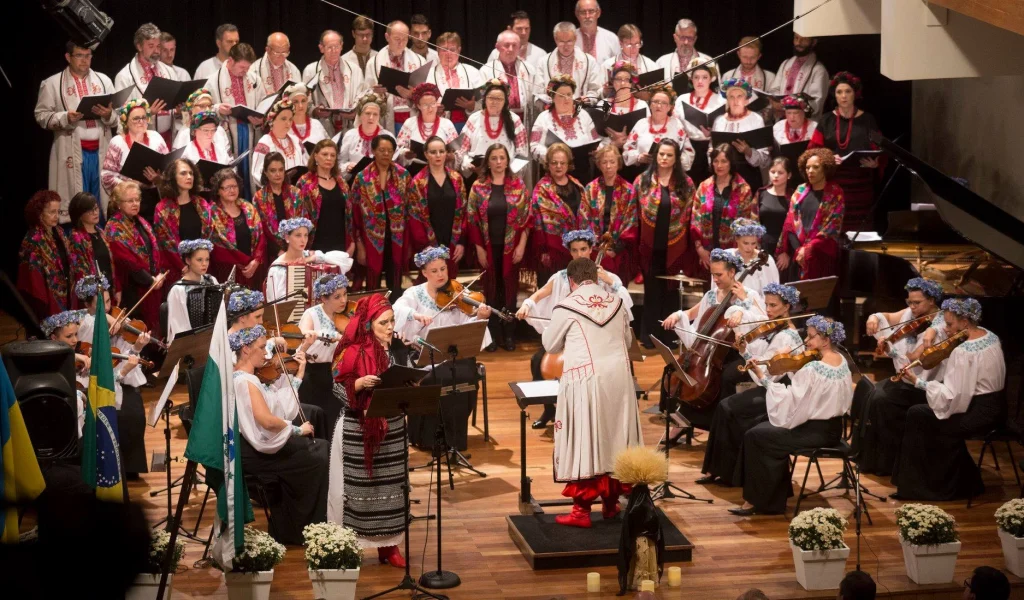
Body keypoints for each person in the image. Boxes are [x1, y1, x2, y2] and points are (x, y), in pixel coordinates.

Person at [543, 257, 642, 527]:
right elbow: (628, 340)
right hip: (620, 378)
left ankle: (581, 512)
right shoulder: (619, 301)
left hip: (585, 379)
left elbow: (551, 345)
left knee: (586, 439)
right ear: (597, 277)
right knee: (614, 438)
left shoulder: (567, 304)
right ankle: (611, 503)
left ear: (571, 281)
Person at [729, 315, 852, 515]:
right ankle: (771, 496)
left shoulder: (813, 367)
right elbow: (809, 394)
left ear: (826, 340)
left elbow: (792, 401)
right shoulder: (842, 361)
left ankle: (761, 503)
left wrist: (763, 378)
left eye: (811, 337)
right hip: (834, 429)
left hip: (814, 432)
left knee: (756, 436)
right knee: (762, 427)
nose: (806, 341)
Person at [892, 298, 1006, 501]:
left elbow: (953, 397)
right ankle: (956, 480)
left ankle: (926, 487)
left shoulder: (963, 351)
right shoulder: (991, 336)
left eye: (950, 324)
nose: (945, 329)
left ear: (964, 322)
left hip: (977, 414)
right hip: (997, 409)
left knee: (918, 414)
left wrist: (919, 382)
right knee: (923, 414)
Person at [518, 229, 633, 428]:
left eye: (583, 249)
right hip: (567, 336)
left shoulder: (607, 277)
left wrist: (609, 281)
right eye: (575, 250)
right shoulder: (562, 277)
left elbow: (625, 304)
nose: (580, 254)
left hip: (597, 340)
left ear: (591, 250)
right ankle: (549, 410)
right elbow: (542, 293)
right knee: (537, 361)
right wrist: (527, 303)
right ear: (569, 252)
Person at [328, 293, 411, 566]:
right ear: (368, 324)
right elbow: (337, 388)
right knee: (359, 493)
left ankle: (389, 547)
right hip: (359, 430)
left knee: (393, 490)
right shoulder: (351, 352)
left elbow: (407, 379)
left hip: (393, 429)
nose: (390, 327)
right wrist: (360, 384)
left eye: (392, 321)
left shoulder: (397, 349)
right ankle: (349, 548)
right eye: (384, 322)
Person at [696, 283, 803, 486]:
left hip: (777, 394)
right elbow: (761, 356)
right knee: (725, 405)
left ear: (786, 307)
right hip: (768, 387)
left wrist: (745, 352)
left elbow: (767, 377)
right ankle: (718, 470)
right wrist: (745, 346)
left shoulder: (787, 337)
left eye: (773, 306)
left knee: (728, 408)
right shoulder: (775, 328)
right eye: (767, 305)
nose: (768, 310)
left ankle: (728, 473)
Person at [232, 324, 329, 545]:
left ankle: (295, 523)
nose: (267, 353)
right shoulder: (244, 381)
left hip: (259, 444)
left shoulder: (254, 377)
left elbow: (281, 408)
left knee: (320, 448)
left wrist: (299, 375)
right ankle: (298, 529)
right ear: (246, 349)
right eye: (261, 348)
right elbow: (266, 420)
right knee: (318, 456)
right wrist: (297, 430)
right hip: (253, 453)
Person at [392, 246, 493, 446]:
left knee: (465, 375)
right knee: (434, 378)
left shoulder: (458, 293)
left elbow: (468, 330)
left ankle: (454, 438)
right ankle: (428, 438)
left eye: (443, 269)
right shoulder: (414, 293)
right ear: (424, 273)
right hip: (423, 355)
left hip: (453, 355)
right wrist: (415, 315)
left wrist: (479, 317)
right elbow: (397, 309)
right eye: (434, 271)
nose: (440, 275)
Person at [661, 249, 766, 429]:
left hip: (737, 351)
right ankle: (680, 422)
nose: (715, 279)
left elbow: (763, 321)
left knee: (724, 377)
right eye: (713, 274)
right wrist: (677, 315)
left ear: (732, 272)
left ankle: (717, 426)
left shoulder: (749, 295)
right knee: (675, 369)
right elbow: (692, 314)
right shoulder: (711, 295)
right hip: (710, 350)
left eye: (719, 275)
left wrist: (744, 302)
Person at [858, 277, 946, 475]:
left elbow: (916, 359)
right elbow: (887, 316)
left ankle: (891, 462)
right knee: (871, 394)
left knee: (881, 399)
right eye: (909, 302)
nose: (912, 307)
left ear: (932, 301)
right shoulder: (910, 314)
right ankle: (873, 459)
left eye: (917, 303)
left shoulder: (941, 326)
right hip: (906, 379)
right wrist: (873, 317)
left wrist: (891, 350)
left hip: (924, 384)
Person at [74, 274, 151, 478]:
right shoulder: (81, 321)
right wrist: (104, 318)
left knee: (135, 410)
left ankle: (130, 466)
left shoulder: (113, 322)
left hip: (116, 373)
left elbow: (123, 351)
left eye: (109, 301)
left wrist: (137, 346)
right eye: (103, 302)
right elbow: (89, 324)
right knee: (126, 413)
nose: (109, 308)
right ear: (88, 304)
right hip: (90, 378)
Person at [36, 42, 117, 222]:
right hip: (71, 152)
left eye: (88, 56)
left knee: (101, 202)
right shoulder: (52, 83)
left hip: (101, 152)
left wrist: (108, 114)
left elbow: (118, 115)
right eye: (79, 55)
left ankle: (100, 240)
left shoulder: (103, 80)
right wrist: (66, 118)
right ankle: (77, 244)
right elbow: (41, 116)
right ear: (68, 57)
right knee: (77, 202)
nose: (85, 60)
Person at [467, 144, 532, 351]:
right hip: (487, 248)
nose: (498, 162)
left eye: (501, 158)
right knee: (491, 292)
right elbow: (472, 220)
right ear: (488, 161)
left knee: (510, 293)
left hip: (511, 248)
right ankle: (493, 333)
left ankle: (509, 334)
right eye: (493, 158)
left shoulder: (518, 186)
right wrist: (479, 249)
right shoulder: (478, 186)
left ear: (507, 160)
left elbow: (527, 219)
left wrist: (521, 246)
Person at [635, 139, 697, 347]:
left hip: (676, 245)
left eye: (669, 155)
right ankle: (649, 336)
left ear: (676, 159)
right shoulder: (642, 180)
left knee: (671, 292)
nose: (664, 158)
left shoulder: (685, 183)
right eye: (661, 154)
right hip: (649, 246)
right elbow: (635, 213)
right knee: (651, 291)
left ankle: (670, 336)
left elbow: (690, 216)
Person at [818, 72, 882, 232]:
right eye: (839, 92)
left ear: (855, 94)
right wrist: (828, 158)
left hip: (860, 185)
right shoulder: (826, 120)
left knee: (860, 230)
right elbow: (813, 151)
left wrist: (876, 163)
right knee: (834, 227)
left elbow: (880, 149)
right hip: (835, 181)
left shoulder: (868, 119)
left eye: (848, 91)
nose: (844, 96)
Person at [351, 135, 411, 293]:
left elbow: (411, 212)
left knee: (395, 284)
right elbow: (354, 216)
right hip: (370, 240)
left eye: (390, 151)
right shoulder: (362, 178)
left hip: (396, 239)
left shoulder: (403, 176)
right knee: (373, 286)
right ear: (373, 151)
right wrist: (359, 245)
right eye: (381, 150)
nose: (386, 154)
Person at [104, 181, 165, 331]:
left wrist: (158, 275)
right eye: (130, 201)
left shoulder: (141, 221)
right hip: (132, 289)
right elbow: (127, 261)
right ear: (119, 203)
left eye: (137, 200)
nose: (135, 204)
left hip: (151, 284)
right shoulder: (114, 227)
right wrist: (150, 280)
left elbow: (154, 251)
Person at [776, 148, 844, 280]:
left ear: (825, 169)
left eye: (815, 167)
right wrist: (799, 250)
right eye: (807, 168)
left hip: (822, 256)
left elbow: (832, 227)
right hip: (798, 255)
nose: (810, 171)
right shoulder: (800, 190)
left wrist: (808, 249)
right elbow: (790, 224)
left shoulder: (835, 192)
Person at [205, 42, 261, 197]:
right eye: (242, 68)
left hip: (251, 131)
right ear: (230, 61)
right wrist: (217, 108)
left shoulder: (254, 79)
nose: (245, 71)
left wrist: (260, 118)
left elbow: (263, 102)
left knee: (250, 172)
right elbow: (202, 108)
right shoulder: (213, 81)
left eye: (247, 68)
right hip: (227, 132)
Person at [298, 272, 349, 441]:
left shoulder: (347, 315)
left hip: (337, 372)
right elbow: (305, 334)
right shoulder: (311, 314)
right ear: (324, 299)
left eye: (345, 294)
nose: (343, 300)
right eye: (337, 297)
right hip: (314, 374)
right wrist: (328, 334)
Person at [408, 136, 467, 277]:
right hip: (428, 246)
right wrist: (426, 247)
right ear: (426, 154)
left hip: (452, 242)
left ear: (447, 153)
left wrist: (461, 242)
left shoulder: (457, 179)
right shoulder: (418, 182)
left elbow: (465, 212)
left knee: (450, 286)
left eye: (441, 151)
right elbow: (414, 217)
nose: (438, 155)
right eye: (433, 152)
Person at [691, 144, 757, 269]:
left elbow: (747, 223)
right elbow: (695, 219)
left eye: (723, 161)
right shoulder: (704, 186)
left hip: (734, 254)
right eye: (716, 161)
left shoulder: (743, 188)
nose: (719, 165)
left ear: (731, 163)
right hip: (706, 254)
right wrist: (700, 249)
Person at [152, 158, 214, 287]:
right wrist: (184, 264)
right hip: (178, 270)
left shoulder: (201, 203)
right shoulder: (163, 208)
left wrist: (199, 261)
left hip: (202, 266)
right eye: (183, 173)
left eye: (191, 173)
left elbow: (208, 235)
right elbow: (166, 242)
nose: (189, 177)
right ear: (172, 178)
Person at [531, 142, 588, 279]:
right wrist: (543, 251)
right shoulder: (542, 189)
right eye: (554, 162)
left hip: (576, 251)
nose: (558, 166)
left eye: (562, 163)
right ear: (548, 164)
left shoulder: (577, 185)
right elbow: (537, 224)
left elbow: (585, 215)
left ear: (568, 164)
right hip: (552, 253)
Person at [583, 144, 637, 282]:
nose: (608, 166)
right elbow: (584, 219)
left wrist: (615, 248)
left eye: (612, 162)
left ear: (618, 164)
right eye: (604, 162)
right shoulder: (590, 189)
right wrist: (596, 246)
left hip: (619, 252)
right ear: (599, 164)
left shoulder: (628, 190)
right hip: (594, 252)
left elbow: (631, 222)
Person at [265, 217, 353, 302]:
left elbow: (346, 260)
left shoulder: (311, 255)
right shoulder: (277, 268)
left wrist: (314, 257)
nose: (303, 240)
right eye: (298, 235)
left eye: (306, 235)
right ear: (287, 237)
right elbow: (274, 305)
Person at [455, 79, 529, 178]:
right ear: (484, 99)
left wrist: (510, 171)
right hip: (478, 173)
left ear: (505, 101)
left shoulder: (514, 120)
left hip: (506, 175)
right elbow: (462, 149)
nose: (495, 102)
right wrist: (468, 165)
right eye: (491, 98)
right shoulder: (474, 119)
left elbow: (522, 152)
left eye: (499, 99)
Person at [113, 24, 173, 139]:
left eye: (158, 46)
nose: (156, 51)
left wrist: (179, 110)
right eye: (151, 46)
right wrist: (148, 113)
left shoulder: (168, 71)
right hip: (141, 139)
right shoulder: (124, 76)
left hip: (168, 137)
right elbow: (121, 115)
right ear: (139, 46)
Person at [365, 21, 426, 134]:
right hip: (387, 115)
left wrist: (413, 94)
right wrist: (376, 93)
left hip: (411, 113)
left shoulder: (419, 61)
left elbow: (427, 93)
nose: (401, 43)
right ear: (387, 37)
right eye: (397, 39)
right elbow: (365, 94)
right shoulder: (374, 62)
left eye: (405, 39)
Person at [18, 190, 72, 318]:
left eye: (58, 212)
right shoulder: (33, 240)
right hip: (45, 303)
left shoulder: (59, 232)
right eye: (52, 212)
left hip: (67, 295)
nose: (56, 216)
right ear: (39, 214)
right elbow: (33, 280)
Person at [209, 168, 266, 287]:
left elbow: (261, 237)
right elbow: (217, 248)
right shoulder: (212, 213)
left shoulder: (248, 207)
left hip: (254, 269)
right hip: (226, 272)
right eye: (227, 187)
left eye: (234, 186)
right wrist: (245, 262)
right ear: (218, 190)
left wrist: (256, 261)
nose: (232, 190)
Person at [100, 99, 169, 197]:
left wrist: (159, 179)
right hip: (127, 196)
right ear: (126, 122)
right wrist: (131, 184)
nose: (141, 121)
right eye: (136, 118)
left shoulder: (156, 137)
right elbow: (107, 176)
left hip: (154, 195)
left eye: (144, 118)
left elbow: (169, 168)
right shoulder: (117, 142)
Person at [297, 139, 354, 256]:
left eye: (332, 155)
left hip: (340, 245)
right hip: (314, 246)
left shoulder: (342, 183)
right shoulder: (305, 182)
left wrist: (352, 242)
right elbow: (298, 217)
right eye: (325, 154)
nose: (329, 158)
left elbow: (349, 217)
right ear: (316, 156)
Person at [303, 30, 365, 136]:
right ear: (321, 48)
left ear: (341, 46)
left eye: (337, 46)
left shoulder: (354, 70)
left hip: (349, 126)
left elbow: (362, 95)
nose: (334, 50)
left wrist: (355, 112)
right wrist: (314, 111)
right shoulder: (311, 70)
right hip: (322, 126)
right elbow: (305, 101)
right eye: (329, 47)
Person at [712, 79, 771, 189]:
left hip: (748, 175)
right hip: (723, 175)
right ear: (727, 100)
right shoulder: (719, 121)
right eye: (731, 97)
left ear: (746, 100)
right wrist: (712, 153)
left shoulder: (756, 119)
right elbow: (711, 149)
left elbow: (765, 158)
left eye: (739, 96)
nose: (735, 101)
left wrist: (748, 151)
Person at [624, 85, 695, 173]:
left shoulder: (677, 125)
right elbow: (627, 150)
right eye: (655, 102)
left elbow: (688, 152)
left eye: (664, 103)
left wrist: (673, 160)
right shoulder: (641, 124)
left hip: (670, 173)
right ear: (650, 104)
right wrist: (638, 157)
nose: (659, 105)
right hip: (644, 171)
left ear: (669, 107)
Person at [530, 76, 601, 165]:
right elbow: (534, 146)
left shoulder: (583, 115)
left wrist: (596, 151)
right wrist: (552, 155)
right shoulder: (543, 118)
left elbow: (594, 140)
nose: (567, 99)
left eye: (569, 94)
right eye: (561, 96)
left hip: (581, 167)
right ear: (553, 97)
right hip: (555, 167)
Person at [480, 31, 541, 129]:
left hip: (524, 120)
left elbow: (537, 95)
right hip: (497, 119)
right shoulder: (486, 70)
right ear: (498, 47)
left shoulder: (529, 69)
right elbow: (481, 100)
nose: (511, 49)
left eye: (515, 45)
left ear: (519, 47)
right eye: (507, 45)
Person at [675, 64, 724, 186]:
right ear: (691, 79)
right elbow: (675, 123)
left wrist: (713, 133)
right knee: (687, 183)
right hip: (687, 144)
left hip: (709, 145)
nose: (700, 81)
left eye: (704, 77)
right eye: (696, 77)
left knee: (708, 184)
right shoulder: (682, 99)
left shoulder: (721, 100)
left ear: (711, 79)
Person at [67, 192, 118, 306]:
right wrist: (97, 294)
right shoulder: (76, 238)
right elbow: (81, 274)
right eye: (89, 210)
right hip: (91, 297)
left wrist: (116, 289)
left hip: (107, 291)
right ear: (79, 214)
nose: (95, 212)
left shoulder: (100, 232)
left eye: (96, 208)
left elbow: (110, 263)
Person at [252, 151, 306, 256]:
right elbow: (259, 231)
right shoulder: (259, 198)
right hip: (271, 253)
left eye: (281, 170)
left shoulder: (295, 193)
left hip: (296, 250)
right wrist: (278, 251)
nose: (278, 174)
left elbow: (303, 223)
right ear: (266, 173)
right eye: (273, 170)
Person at [395, 83, 459, 170]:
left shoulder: (447, 124)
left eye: (433, 104)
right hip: (415, 169)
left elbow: (457, 152)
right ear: (418, 106)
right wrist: (405, 154)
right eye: (425, 105)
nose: (430, 108)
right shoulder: (409, 123)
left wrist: (451, 156)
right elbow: (398, 150)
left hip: (440, 169)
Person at [165, 239, 218, 343]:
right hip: (192, 344)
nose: (204, 264)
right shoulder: (178, 290)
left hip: (214, 339)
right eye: (199, 260)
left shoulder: (211, 280)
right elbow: (179, 327)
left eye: (207, 259)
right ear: (188, 260)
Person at [536, 22, 603, 103]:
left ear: (575, 38)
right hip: (553, 111)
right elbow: (539, 92)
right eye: (561, 41)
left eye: (569, 41)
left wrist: (588, 99)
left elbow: (595, 89)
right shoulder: (543, 62)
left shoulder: (589, 61)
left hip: (581, 110)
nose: (566, 46)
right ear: (555, 39)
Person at [708, 218, 779, 296]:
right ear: (736, 239)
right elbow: (715, 288)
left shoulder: (766, 259)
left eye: (753, 243)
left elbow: (773, 291)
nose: (750, 248)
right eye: (745, 243)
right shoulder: (726, 256)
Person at [430, 32, 483, 133]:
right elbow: (420, 103)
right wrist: (433, 109)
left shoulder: (472, 72)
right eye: (444, 49)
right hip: (440, 127)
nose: (448, 53)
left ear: (459, 50)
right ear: (437, 50)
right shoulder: (429, 74)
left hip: (468, 126)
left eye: (452, 49)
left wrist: (472, 106)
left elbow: (483, 100)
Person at [250, 100, 308, 192]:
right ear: (272, 120)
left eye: (290, 119)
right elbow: (257, 174)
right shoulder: (265, 142)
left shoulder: (296, 141)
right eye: (283, 119)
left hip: (298, 192)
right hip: (275, 193)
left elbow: (306, 165)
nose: (288, 123)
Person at [767, 33, 829, 117]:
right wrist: (774, 103)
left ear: (813, 42)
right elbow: (775, 89)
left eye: (804, 39)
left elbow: (816, 103)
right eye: (796, 38)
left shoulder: (819, 70)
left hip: (805, 124)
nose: (798, 42)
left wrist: (789, 106)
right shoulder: (786, 63)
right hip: (783, 121)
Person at [337, 93, 396, 181]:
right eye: (368, 113)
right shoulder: (350, 135)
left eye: (375, 114)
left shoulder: (387, 136)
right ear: (360, 115)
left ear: (379, 116)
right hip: (355, 181)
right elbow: (340, 162)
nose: (371, 117)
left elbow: (395, 162)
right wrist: (347, 166)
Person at [656, 19, 719, 90]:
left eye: (690, 38)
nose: (686, 42)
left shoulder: (708, 61)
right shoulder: (661, 62)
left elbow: (716, 90)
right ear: (675, 38)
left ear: (695, 39)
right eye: (682, 38)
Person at [602, 63, 650, 149]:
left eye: (627, 79)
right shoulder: (604, 104)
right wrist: (614, 144)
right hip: (609, 154)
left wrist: (627, 139)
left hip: (634, 153)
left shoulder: (642, 105)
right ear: (613, 82)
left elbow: (647, 135)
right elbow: (599, 136)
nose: (623, 83)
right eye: (619, 79)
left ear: (632, 83)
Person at [172, 88, 232, 155]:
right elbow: (178, 162)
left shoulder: (219, 131)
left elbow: (228, 158)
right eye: (202, 106)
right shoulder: (184, 134)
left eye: (209, 106)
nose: (207, 110)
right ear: (191, 109)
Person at [757, 158, 794, 258]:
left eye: (780, 172)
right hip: (761, 247)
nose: (776, 176)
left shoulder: (793, 197)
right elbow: (753, 222)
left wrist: (787, 253)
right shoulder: (761, 193)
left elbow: (796, 228)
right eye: (773, 172)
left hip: (783, 250)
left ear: (789, 175)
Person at [249, 32, 301, 98]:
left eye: (284, 52)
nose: (281, 56)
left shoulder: (293, 70)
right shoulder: (254, 70)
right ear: (267, 50)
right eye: (277, 53)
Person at [574, 0, 620, 64]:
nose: (587, 16)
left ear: (598, 13)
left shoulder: (611, 38)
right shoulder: (570, 39)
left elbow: (620, 68)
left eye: (591, 11)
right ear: (577, 14)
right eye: (583, 12)